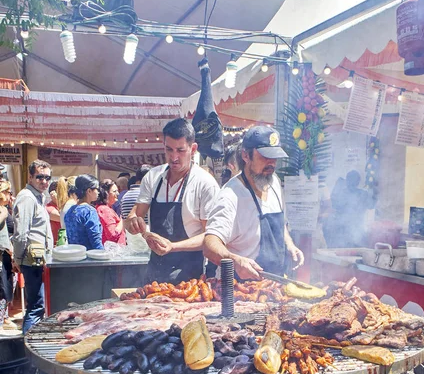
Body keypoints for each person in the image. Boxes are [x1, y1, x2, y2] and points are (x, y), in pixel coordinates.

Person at [203, 126, 304, 280]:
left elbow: (280, 224)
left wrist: (289, 244)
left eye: (274, 158)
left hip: (273, 285)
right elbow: (210, 245)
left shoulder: (274, 182)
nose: (271, 163)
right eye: (265, 157)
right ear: (245, 155)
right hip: (240, 290)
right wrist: (235, 261)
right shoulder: (230, 196)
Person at [126, 118, 219, 283]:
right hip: (154, 273)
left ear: (193, 148)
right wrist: (132, 222)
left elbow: (210, 237)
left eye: (180, 150)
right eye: (169, 149)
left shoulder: (205, 183)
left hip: (190, 277)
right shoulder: (153, 177)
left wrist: (173, 247)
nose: (174, 157)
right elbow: (134, 215)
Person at [12, 160, 54, 333]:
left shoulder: (37, 197)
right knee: (36, 306)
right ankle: (27, 347)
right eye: (40, 177)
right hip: (30, 260)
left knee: (37, 305)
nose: (44, 181)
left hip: (36, 259)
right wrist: (19, 260)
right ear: (30, 177)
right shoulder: (27, 197)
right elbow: (21, 233)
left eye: (47, 177)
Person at [324, 170, 376, 248]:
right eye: (350, 180)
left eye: (352, 180)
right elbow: (371, 205)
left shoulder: (362, 194)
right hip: (344, 232)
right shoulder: (361, 194)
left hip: (355, 231)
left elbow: (371, 205)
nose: (351, 183)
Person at [64, 174, 103, 250]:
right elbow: (95, 240)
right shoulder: (89, 211)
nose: (98, 192)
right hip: (89, 257)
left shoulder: (70, 210)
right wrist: (103, 255)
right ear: (89, 191)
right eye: (97, 189)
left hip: (74, 255)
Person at [0, 181, 16, 330]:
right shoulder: (2, 210)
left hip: (6, 253)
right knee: (2, 288)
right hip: (2, 253)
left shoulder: (5, 208)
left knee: (8, 286)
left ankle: (4, 317)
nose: (9, 195)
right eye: (7, 192)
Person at [96, 180, 126, 245]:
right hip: (113, 252)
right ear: (106, 193)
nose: (118, 193)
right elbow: (113, 235)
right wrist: (122, 220)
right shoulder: (104, 210)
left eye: (118, 191)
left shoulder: (107, 208)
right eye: (114, 191)